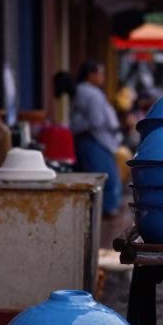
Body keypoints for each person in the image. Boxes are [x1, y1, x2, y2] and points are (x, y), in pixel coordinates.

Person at [69, 60, 123, 217]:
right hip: (96, 139)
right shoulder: (91, 93)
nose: (102, 77)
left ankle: (101, 209)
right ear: (91, 75)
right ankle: (106, 209)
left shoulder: (84, 91)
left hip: (91, 139)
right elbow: (97, 120)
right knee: (106, 177)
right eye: (100, 73)